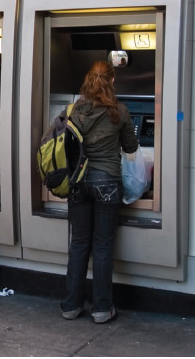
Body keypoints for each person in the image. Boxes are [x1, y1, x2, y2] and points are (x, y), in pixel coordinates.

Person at [60, 60, 138, 324]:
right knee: (103, 246)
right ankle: (102, 309)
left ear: (87, 81)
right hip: (107, 183)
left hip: (78, 182)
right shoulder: (120, 111)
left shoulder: (74, 110)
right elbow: (131, 147)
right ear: (112, 81)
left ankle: (71, 306)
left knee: (79, 244)